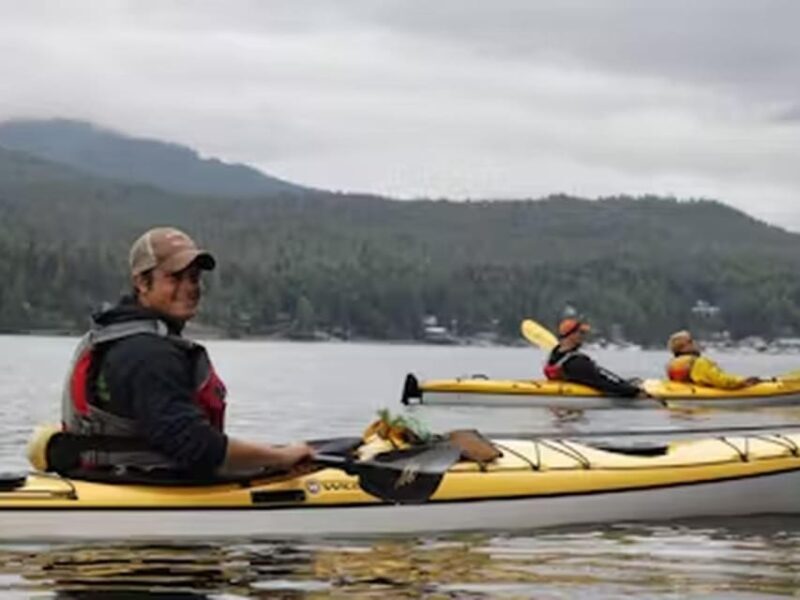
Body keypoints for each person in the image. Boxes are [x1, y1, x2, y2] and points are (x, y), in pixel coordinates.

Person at [61, 226, 313, 478]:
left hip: (110, 477)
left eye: (193, 277)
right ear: (141, 282)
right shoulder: (148, 353)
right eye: (174, 277)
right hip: (139, 488)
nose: (189, 287)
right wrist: (281, 457)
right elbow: (196, 445)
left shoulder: (116, 336)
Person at [544, 318, 645, 398]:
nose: (584, 336)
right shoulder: (577, 362)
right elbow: (603, 384)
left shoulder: (555, 355)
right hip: (578, 398)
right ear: (571, 335)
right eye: (581, 333)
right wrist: (634, 392)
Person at [666, 330, 761, 389]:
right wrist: (743, 381)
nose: (695, 343)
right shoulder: (699, 363)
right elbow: (722, 380)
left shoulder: (672, 364)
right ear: (683, 347)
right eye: (690, 341)